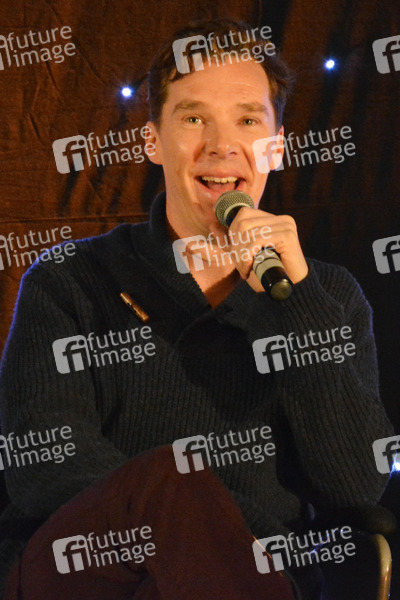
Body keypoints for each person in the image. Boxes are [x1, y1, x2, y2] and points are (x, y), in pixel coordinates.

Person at [0, 19, 393, 600]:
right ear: (152, 141)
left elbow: (357, 485)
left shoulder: (327, 296)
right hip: (92, 572)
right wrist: (209, 527)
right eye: (192, 118)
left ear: (276, 146)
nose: (220, 145)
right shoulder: (68, 281)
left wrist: (297, 305)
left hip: (252, 578)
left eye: (248, 120)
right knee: (170, 487)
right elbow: (43, 465)